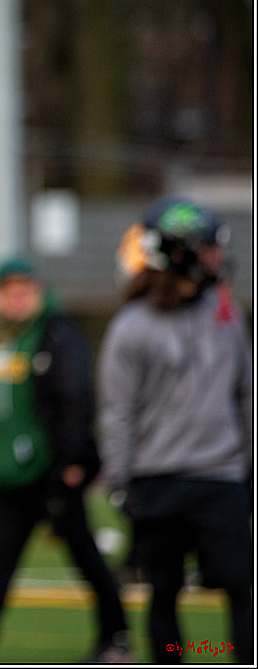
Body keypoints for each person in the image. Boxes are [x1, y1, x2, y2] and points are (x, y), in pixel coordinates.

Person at [0, 256, 131, 663]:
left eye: (25, 292)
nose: (17, 300)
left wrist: (72, 459)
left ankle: (116, 636)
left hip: (49, 468)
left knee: (83, 552)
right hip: (4, 471)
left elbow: (75, 398)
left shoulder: (57, 334)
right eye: (9, 292)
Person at [98, 196, 252, 664]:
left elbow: (246, 394)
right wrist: (119, 480)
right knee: (163, 593)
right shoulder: (131, 327)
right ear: (176, 253)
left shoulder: (226, 312)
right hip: (157, 481)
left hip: (220, 477)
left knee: (242, 587)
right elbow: (117, 411)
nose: (217, 259)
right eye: (207, 249)